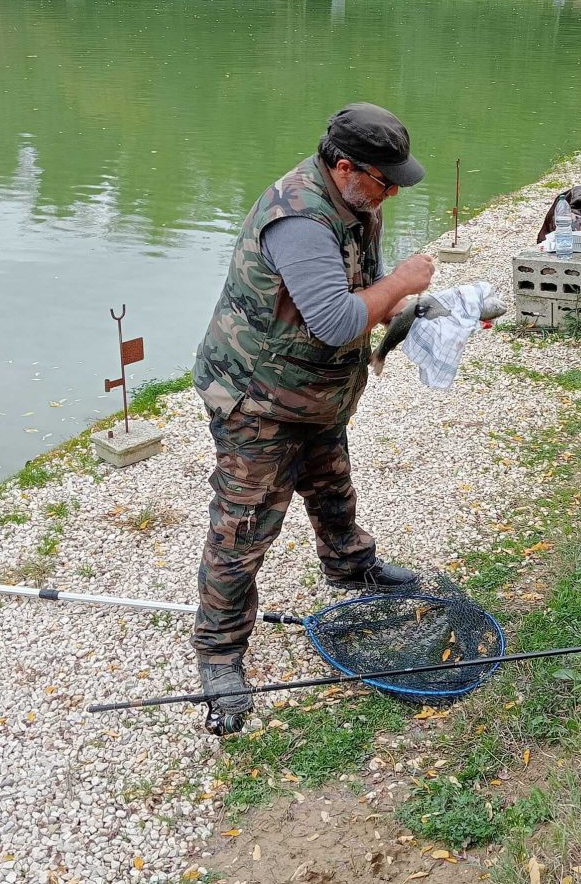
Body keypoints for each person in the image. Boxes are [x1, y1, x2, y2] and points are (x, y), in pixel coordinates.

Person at [192, 102, 435, 732]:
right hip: (257, 396)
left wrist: (420, 304)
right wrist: (404, 280)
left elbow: (367, 292)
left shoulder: (358, 202)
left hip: (313, 389)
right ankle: (219, 653)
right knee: (242, 529)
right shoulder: (300, 218)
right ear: (345, 166)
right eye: (387, 181)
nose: (393, 194)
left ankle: (351, 567)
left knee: (330, 483)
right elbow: (334, 320)